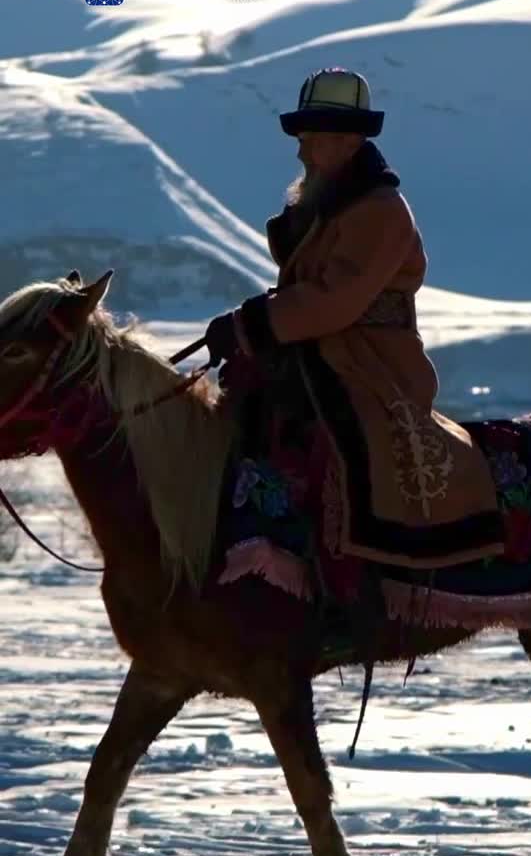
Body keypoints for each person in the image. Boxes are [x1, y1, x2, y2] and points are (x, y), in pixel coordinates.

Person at [205, 68, 505, 570]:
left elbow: (334, 300)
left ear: (347, 141)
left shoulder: (381, 211)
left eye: (312, 138)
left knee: (346, 450)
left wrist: (248, 325)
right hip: (323, 358)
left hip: (371, 368)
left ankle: (355, 584)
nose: (301, 152)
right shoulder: (333, 209)